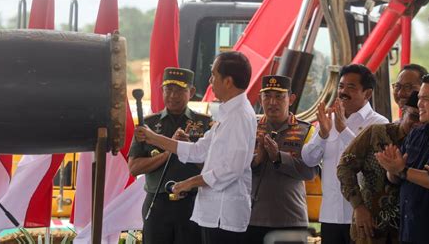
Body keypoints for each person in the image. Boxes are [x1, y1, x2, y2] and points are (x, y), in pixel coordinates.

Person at [134, 51, 257, 244]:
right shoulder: (228, 112)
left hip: (224, 216)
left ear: (228, 81)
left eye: (214, 75)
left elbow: (231, 169)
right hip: (212, 213)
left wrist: (189, 183)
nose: (210, 81)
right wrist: (153, 138)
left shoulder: (239, 116)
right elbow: (198, 150)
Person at [302, 64, 388, 244]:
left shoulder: (379, 124)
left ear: (367, 94)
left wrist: (343, 131)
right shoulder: (328, 121)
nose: (343, 92)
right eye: (341, 86)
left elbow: (375, 164)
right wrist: (322, 135)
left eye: (351, 87)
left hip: (362, 216)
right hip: (330, 216)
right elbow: (308, 159)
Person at [128, 67, 212, 244]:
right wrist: (169, 152)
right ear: (162, 91)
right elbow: (134, 168)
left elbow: (214, 169)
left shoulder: (205, 123)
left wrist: (190, 149)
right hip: (157, 203)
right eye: (169, 90)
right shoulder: (149, 124)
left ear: (192, 91)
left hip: (192, 203)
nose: (173, 95)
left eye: (180, 90)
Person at [375, 72, 429, 244]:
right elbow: (396, 177)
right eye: (420, 98)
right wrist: (393, 169)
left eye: (426, 99)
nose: (419, 104)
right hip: (409, 230)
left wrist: (403, 170)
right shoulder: (417, 132)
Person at [337, 91, 421, 244]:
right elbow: (345, 166)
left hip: (408, 228)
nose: (418, 123)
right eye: (414, 116)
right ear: (403, 112)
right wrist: (358, 206)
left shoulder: (426, 143)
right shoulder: (375, 133)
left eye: (423, 118)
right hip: (369, 225)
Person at [245, 75, 317, 244]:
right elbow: (234, 168)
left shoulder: (306, 130)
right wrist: (257, 160)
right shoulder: (249, 128)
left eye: (279, 96)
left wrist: (279, 157)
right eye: (267, 96)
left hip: (290, 219)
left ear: (291, 99)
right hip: (251, 218)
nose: (272, 102)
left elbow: (309, 172)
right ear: (259, 98)